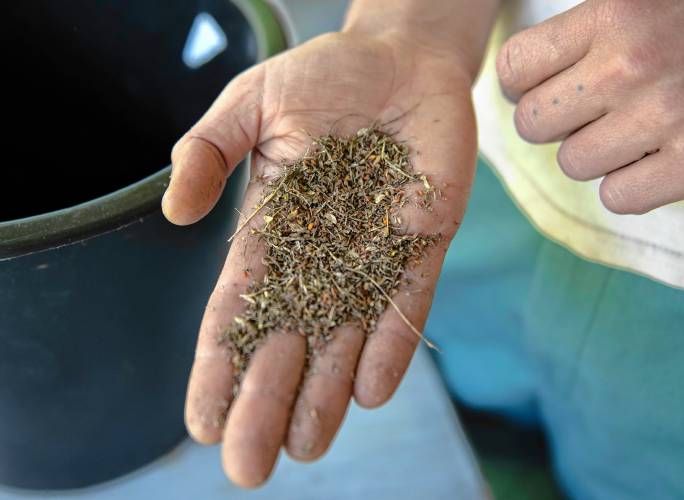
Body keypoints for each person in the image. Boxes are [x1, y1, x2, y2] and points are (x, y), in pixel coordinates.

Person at [160, 0, 684, 498]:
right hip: (472, 151)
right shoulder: (426, 182)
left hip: (665, 312)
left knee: (629, 471)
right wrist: (406, 27)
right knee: (478, 393)